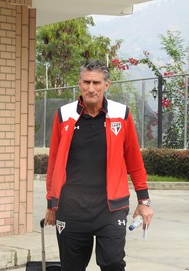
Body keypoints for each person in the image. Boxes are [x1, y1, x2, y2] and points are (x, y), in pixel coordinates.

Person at [44, 59, 153, 271]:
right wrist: (51, 203)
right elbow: (54, 162)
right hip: (72, 208)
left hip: (110, 208)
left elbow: (134, 161)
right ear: (79, 83)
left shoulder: (121, 115)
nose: (90, 88)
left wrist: (144, 201)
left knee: (112, 263)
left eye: (96, 83)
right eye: (86, 82)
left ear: (106, 85)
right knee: (71, 267)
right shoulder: (64, 115)